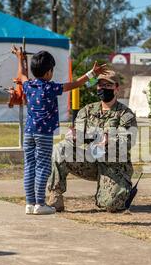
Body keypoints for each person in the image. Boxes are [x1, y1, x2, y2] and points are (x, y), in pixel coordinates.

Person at [11, 46, 107, 215]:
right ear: (49, 72)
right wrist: (92, 73)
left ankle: (29, 203)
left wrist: (20, 58)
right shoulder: (50, 88)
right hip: (44, 134)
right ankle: (40, 204)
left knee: (29, 166)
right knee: (43, 167)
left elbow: (22, 74)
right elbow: (76, 83)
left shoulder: (28, 85)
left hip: (29, 132)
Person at [47, 70, 138, 213]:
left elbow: (126, 142)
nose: (103, 89)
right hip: (90, 162)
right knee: (60, 149)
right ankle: (55, 196)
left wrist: (105, 139)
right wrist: (88, 137)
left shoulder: (125, 114)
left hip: (114, 166)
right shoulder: (87, 110)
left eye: (108, 85)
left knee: (110, 206)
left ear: (116, 88)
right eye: (100, 85)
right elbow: (75, 136)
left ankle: (122, 190)